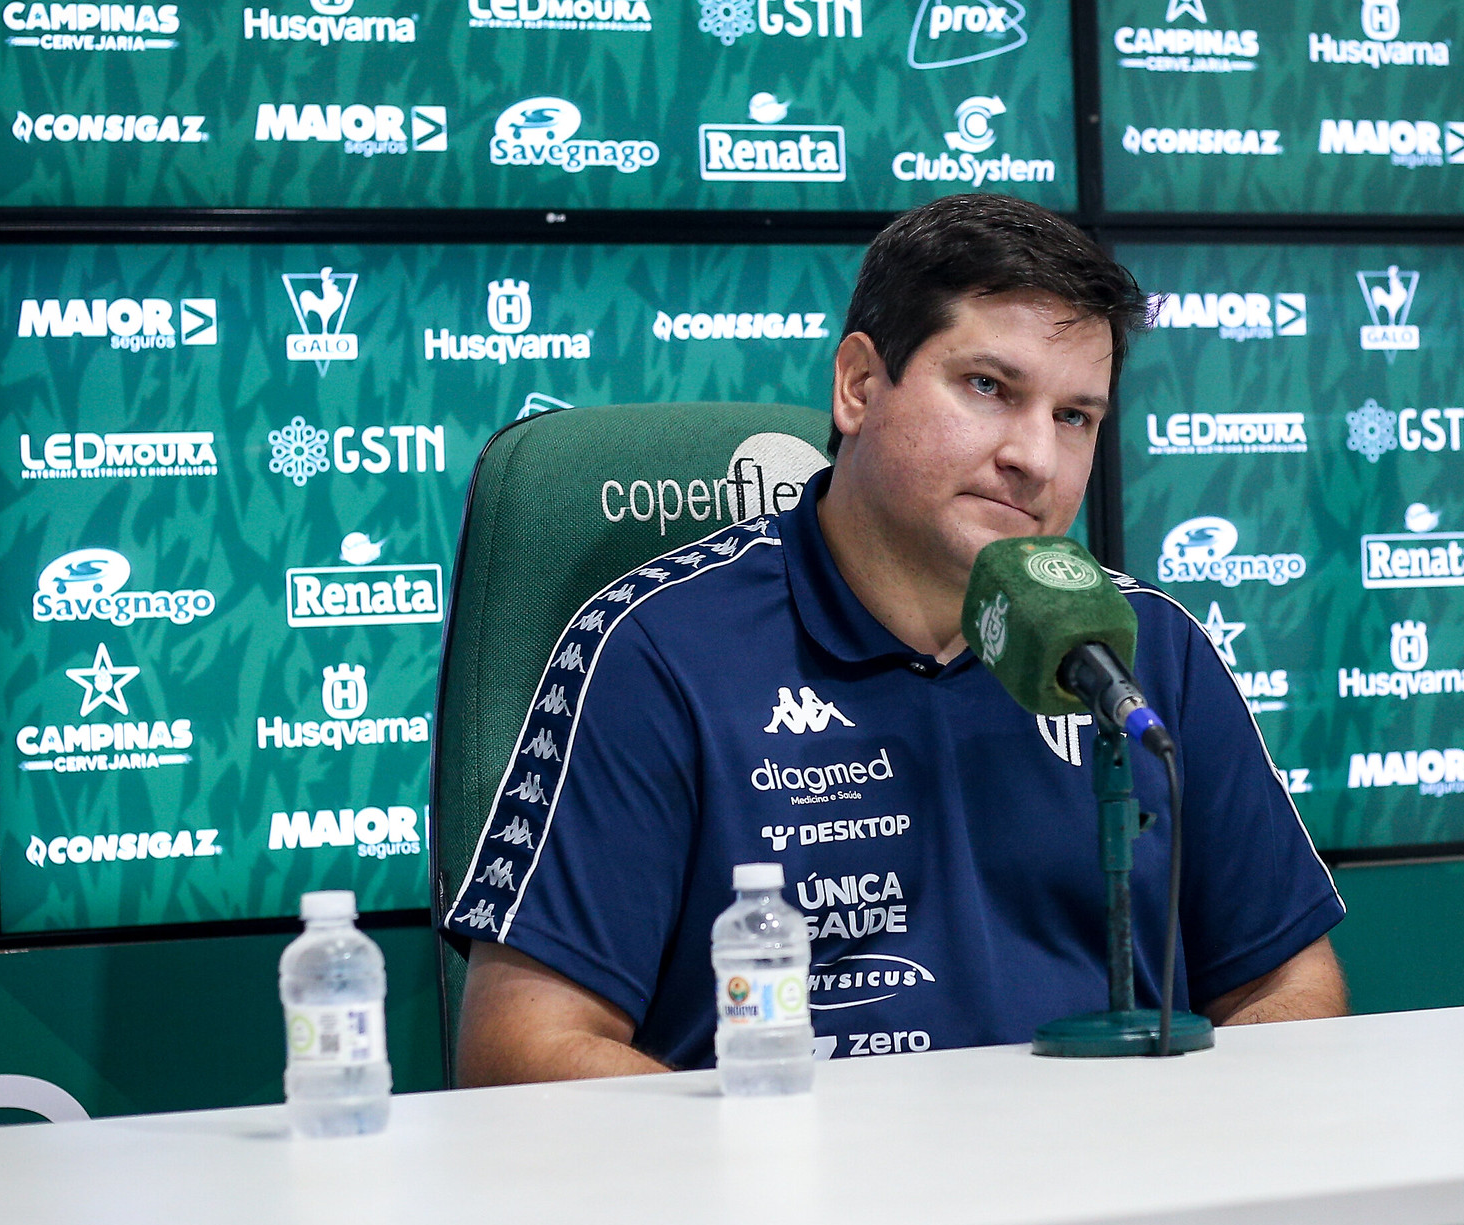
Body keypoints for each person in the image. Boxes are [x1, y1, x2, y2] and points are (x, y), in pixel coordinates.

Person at [446, 194, 1347, 1083]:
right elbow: (522, 1048)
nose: (1035, 457)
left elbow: (1295, 985)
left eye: (1075, 416)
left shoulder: (1145, 648)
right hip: (797, 1205)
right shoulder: (656, 649)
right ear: (859, 387)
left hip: (1106, 1203)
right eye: (989, 388)